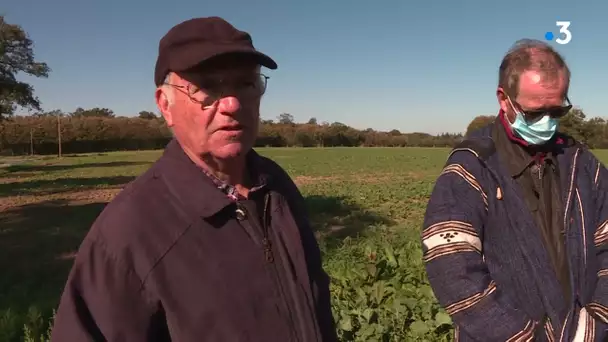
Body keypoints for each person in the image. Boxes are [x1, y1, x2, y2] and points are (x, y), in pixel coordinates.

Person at [50, 16, 337, 342]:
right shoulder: (128, 232)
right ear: (165, 105)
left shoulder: (276, 185)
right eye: (207, 86)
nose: (232, 103)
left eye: (246, 83)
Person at [421, 39, 608, 341]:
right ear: (504, 99)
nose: (547, 122)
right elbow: (452, 266)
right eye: (534, 113)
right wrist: (519, 335)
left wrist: (597, 322)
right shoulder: (473, 167)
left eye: (556, 111)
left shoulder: (581, 164)